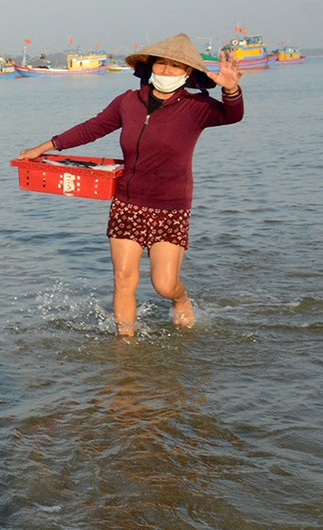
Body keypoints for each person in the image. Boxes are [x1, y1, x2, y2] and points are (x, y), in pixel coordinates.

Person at [16, 33, 244, 336]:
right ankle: (125, 345)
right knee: (123, 279)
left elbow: (232, 114)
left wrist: (231, 89)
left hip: (170, 206)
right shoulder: (128, 101)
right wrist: (45, 147)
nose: (164, 71)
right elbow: (92, 128)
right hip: (128, 201)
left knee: (164, 285)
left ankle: (181, 298)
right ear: (149, 67)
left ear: (188, 73)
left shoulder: (196, 107)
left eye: (174, 67)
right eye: (160, 64)